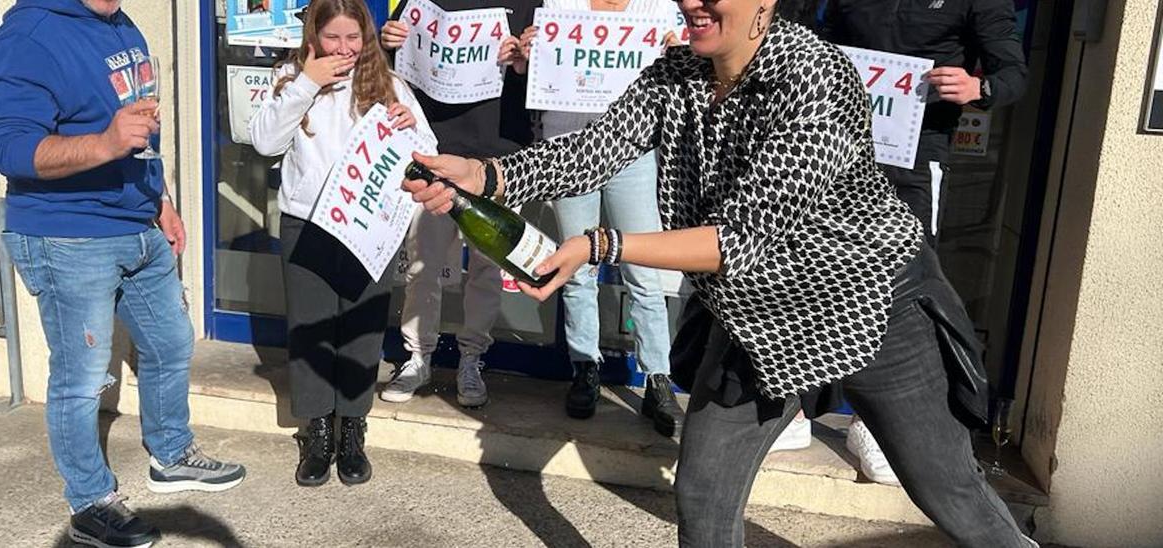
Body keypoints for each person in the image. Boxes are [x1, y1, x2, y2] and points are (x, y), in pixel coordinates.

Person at [401, 0, 1039, 545]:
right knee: (703, 497)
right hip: (754, 318)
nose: (693, 3)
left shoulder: (817, 77)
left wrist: (600, 244)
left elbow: (743, 238)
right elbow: (591, 150)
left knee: (950, 493)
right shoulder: (677, 71)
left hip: (870, 305)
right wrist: (488, 175)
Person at [0, 1, 246, 546]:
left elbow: (140, 127)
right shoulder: (29, 36)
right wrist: (105, 143)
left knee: (172, 342)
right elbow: (9, 149)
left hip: (137, 223)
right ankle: (89, 502)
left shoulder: (120, 24)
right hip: (68, 236)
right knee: (81, 379)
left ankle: (170, 455)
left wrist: (161, 200)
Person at [817, 0, 1029, 486]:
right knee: (814, 268)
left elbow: (1013, 72)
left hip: (914, 155)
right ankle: (798, 403)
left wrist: (980, 88)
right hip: (829, 145)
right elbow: (821, 43)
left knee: (898, 290)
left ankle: (871, 423)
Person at [248, 0, 436, 488]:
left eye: (353, 38)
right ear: (314, 35)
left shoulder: (389, 84)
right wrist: (307, 82)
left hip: (367, 228)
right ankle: (317, 435)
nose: (344, 49)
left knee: (360, 330)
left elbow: (430, 153)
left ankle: (353, 428)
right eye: (333, 38)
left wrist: (410, 128)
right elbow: (265, 142)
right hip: (306, 223)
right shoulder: (290, 77)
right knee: (310, 330)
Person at [511, 0, 685, 435]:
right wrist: (532, 55)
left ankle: (657, 378)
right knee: (578, 270)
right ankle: (584, 367)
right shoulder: (561, 4)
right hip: (570, 145)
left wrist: (677, 54)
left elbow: (684, 72)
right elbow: (534, 70)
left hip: (634, 150)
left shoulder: (657, 8)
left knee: (644, 269)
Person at [377, 0, 541, 409]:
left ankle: (472, 358)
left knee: (487, 268)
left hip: (501, 157)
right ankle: (418, 357)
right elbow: (392, 69)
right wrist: (387, 44)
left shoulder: (529, 4)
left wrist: (525, 62)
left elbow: (553, 76)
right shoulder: (421, 0)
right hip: (435, 150)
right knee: (423, 264)